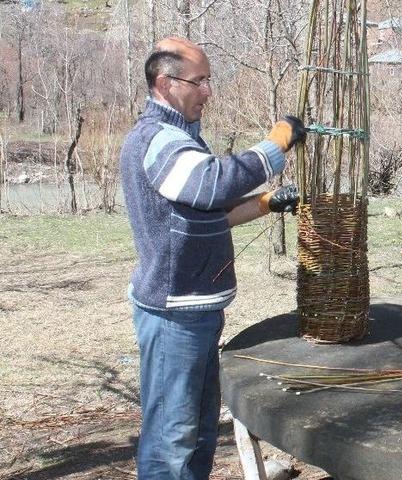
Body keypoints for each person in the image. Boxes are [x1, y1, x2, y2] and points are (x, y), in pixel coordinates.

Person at [119, 36, 304, 479]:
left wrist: (266, 203)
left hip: (195, 312)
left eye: (208, 80)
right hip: (173, 317)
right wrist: (275, 145)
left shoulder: (182, 139)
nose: (208, 91)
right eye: (198, 81)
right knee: (171, 441)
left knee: (199, 433)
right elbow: (214, 183)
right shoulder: (158, 140)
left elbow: (209, 212)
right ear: (165, 83)